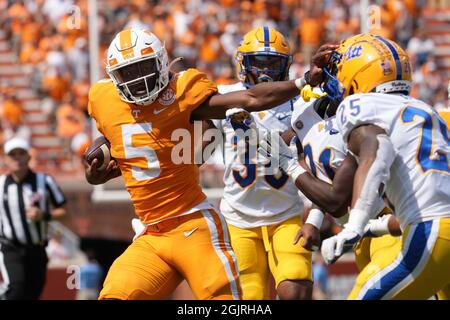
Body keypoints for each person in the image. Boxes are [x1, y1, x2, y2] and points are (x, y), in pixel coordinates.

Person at [84, 27, 332, 300]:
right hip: (157, 229)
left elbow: (253, 100)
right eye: (128, 72)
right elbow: (129, 139)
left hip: (207, 222)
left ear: (161, 63)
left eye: (143, 68)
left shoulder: (185, 92)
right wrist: (101, 173)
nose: (139, 80)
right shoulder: (104, 99)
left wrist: (305, 81)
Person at [318, 33, 450, 299]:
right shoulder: (425, 109)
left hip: (433, 232)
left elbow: (378, 150)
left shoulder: (361, 104)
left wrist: (355, 225)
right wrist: (371, 228)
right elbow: (430, 196)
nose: (336, 79)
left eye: (340, 70)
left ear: (359, 73)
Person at [206, 26, 314, 300]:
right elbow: (194, 132)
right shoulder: (224, 95)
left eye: (272, 64)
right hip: (238, 218)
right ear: (244, 63)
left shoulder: (299, 102)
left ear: (285, 66)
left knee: (296, 288)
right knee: (249, 299)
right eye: (258, 63)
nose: (265, 72)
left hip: (285, 214)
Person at [0, 137, 66, 300]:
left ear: (29, 156)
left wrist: (44, 215)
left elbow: (65, 212)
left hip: (37, 248)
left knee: (33, 292)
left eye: (21, 153)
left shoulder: (45, 181)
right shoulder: (1, 184)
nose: (17, 158)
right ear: (5, 159)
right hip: (10, 247)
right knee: (15, 289)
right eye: (12, 154)